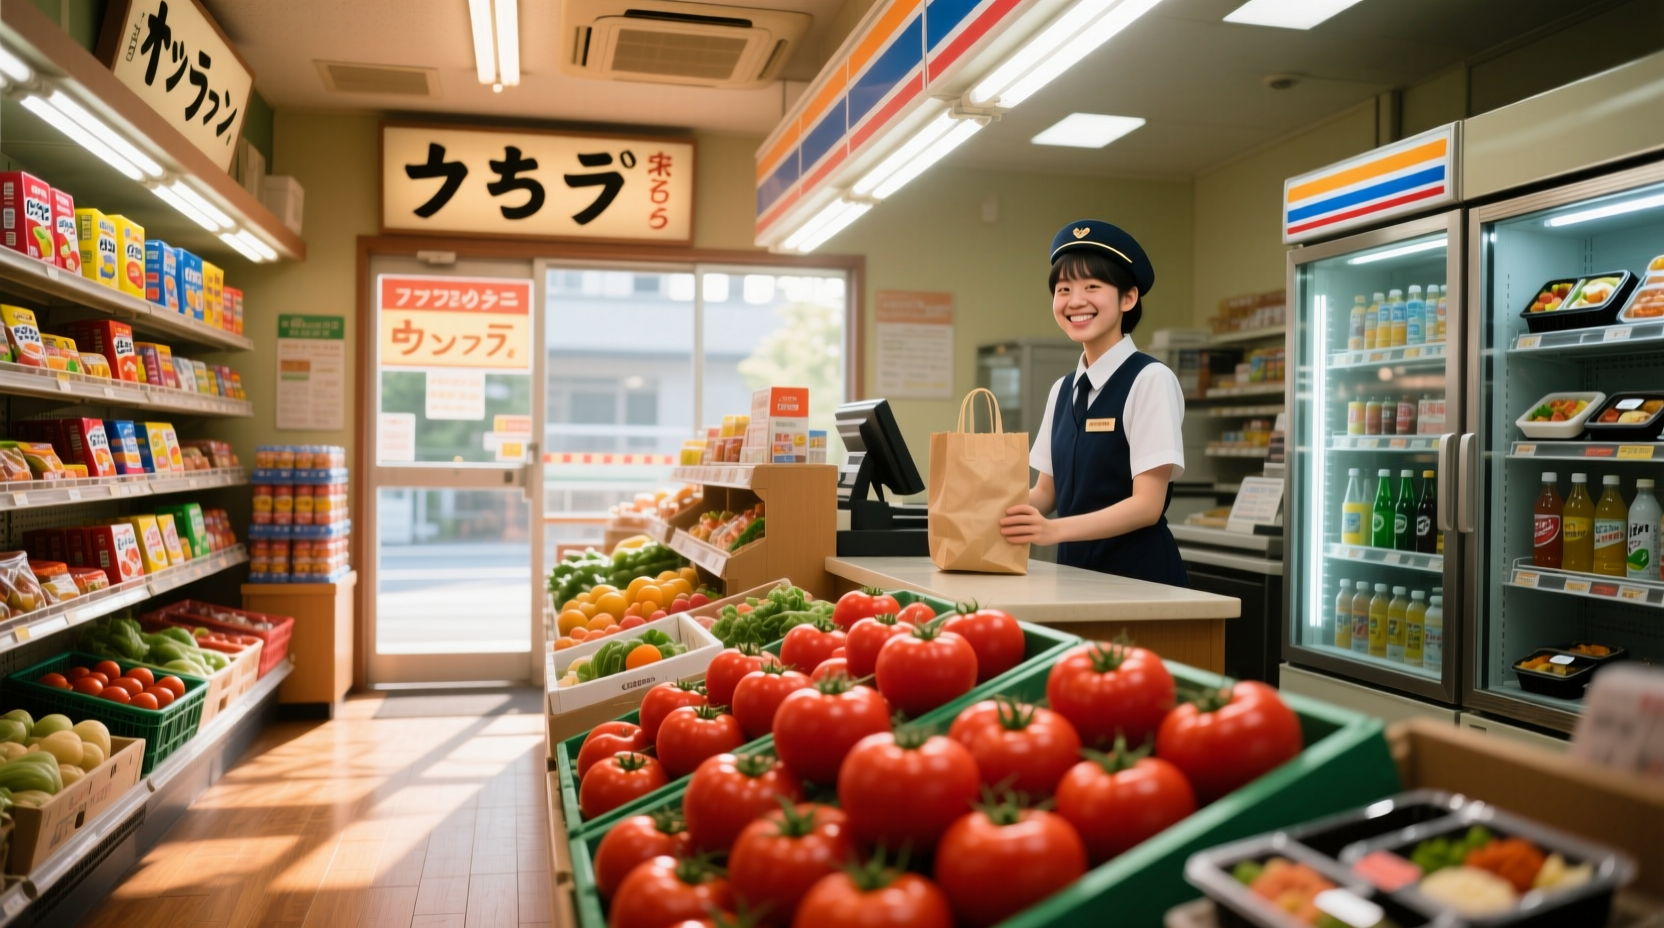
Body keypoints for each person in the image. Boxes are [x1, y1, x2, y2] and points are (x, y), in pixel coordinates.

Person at [998, 219, 1189, 586]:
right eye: (1064, 288)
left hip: (1139, 583)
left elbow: (1147, 506)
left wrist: (1053, 531)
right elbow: (1045, 492)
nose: (1075, 301)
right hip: (1074, 579)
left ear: (1128, 298)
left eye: (1092, 286)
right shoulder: (1063, 389)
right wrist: (982, 506)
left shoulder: (1150, 380)